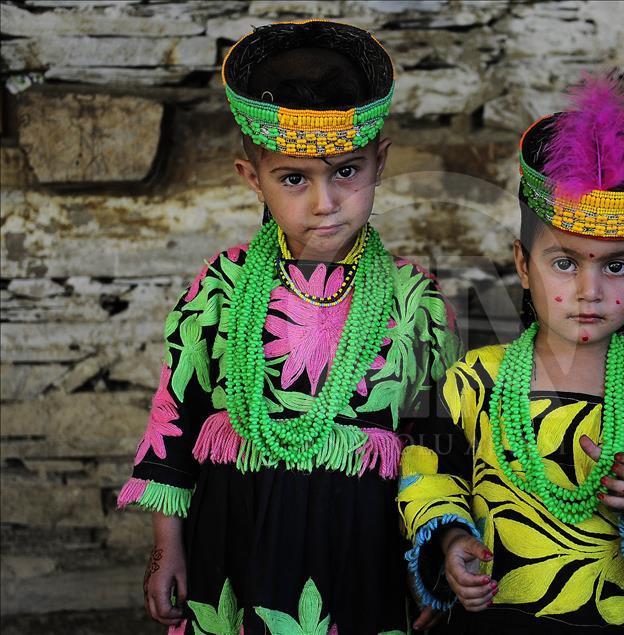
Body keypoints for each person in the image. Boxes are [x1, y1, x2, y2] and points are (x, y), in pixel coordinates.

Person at [118, 20, 460, 635]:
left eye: (347, 172)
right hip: (233, 545)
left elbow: (432, 442)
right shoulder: (221, 285)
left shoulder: (415, 301)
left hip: (359, 554)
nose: (324, 202)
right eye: (294, 178)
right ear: (254, 179)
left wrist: (430, 556)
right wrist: (165, 546)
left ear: (380, 163)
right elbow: (176, 414)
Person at [397, 76, 624, 633]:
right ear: (523, 264)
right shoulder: (475, 380)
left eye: (617, 266)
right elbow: (427, 471)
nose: (590, 290)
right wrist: (452, 537)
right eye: (564, 263)